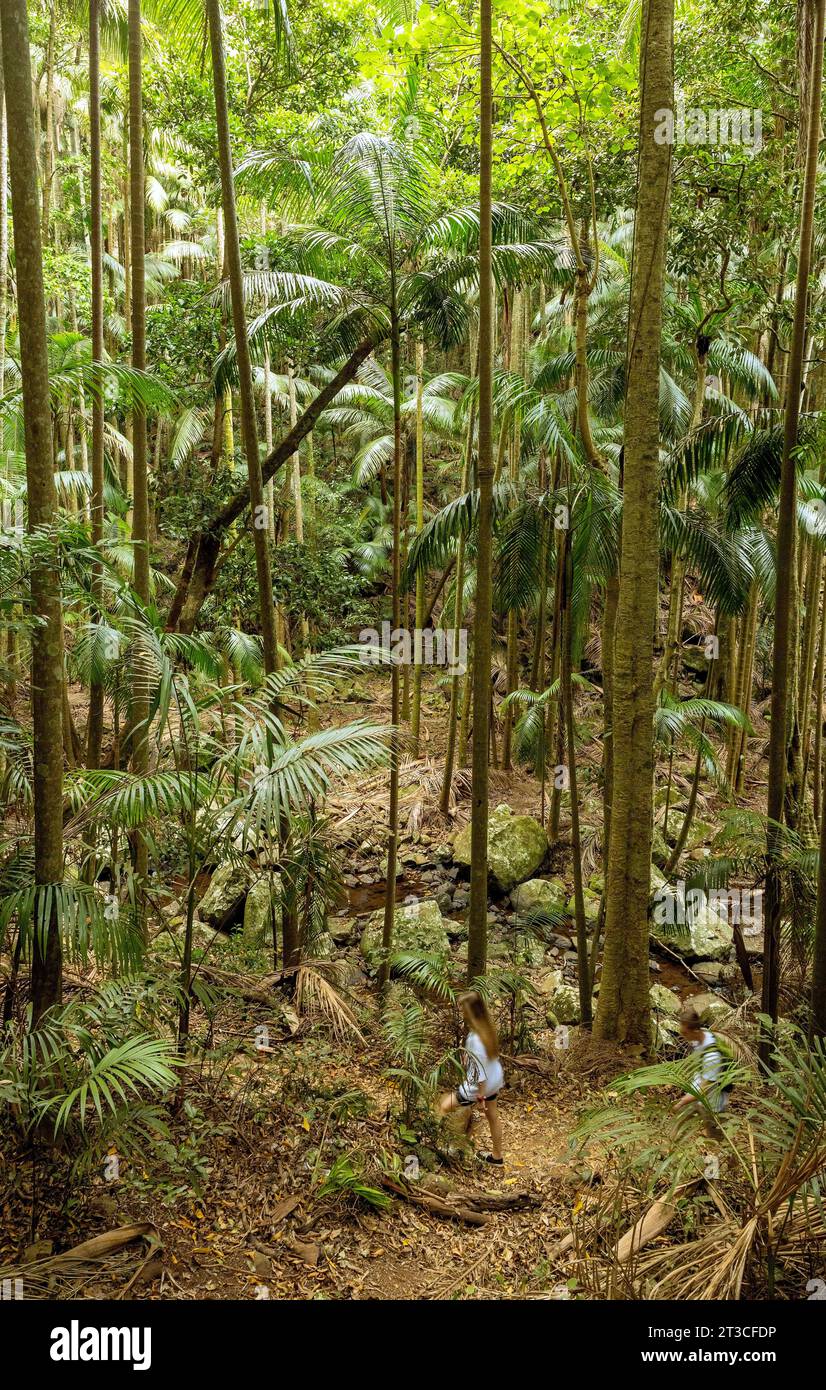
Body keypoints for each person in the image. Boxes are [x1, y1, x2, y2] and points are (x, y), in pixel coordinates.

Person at [438, 990, 505, 1165]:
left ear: (470, 1011)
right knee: (493, 1117)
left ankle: (439, 1146)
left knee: (443, 1106)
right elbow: (486, 1057)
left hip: (480, 1085)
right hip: (495, 1078)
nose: (459, 1010)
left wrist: (481, 1097)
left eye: (462, 1007)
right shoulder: (487, 1028)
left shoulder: (474, 1038)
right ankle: (497, 1157)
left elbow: (479, 1072)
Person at [674, 1006, 730, 1137]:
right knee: (678, 1123)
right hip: (695, 1095)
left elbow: (706, 1088)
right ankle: (667, 1150)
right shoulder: (702, 1036)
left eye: (685, 1033)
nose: (683, 1036)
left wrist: (682, 1101)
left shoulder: (713, 1056)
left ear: (695, 1030)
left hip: (712, 1104)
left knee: (717, 1140)